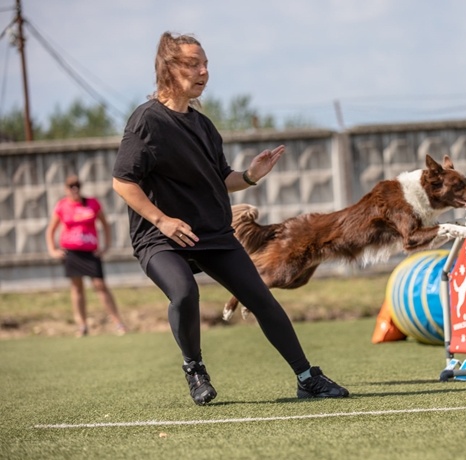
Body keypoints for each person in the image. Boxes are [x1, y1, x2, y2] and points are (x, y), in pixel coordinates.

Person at [111, 31, 349, 405]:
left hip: (212, 233)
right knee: (184, 293)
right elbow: (123, 182)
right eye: (193, 64)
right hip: (160, 237)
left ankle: (307, 378)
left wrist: (251, 175)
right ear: (168, 68)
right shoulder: (147, 122)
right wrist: (162, 220)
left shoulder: (204, 126)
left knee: (261, 298)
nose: (204, 71)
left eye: (205, 64)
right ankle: (195, 369)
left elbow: (223, 179)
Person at [46, 174, 128, 337]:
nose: (74, 188)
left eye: (76, 185)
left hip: (90, 252)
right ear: (65, 189)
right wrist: (53, 250)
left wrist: (106, 246)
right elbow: (51, 230)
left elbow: (105, 225)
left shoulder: (92, 203)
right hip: (72, 253)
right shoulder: (62, 206)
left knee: (100, 285)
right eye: (70, 186)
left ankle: (118, 323)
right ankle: (82, 326)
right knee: (77, 288)